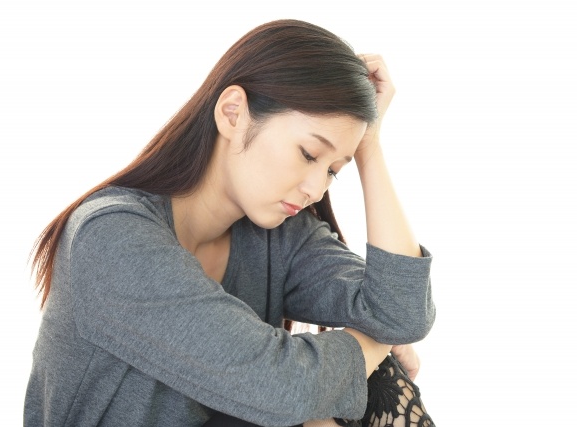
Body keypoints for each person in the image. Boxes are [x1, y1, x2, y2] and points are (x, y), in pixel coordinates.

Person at [24, 19, 436, 427]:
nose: (315, 189)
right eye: (309, 154)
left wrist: (369, 146)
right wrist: (376, 343)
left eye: (333, 171)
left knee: (364, 382)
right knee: (330, 388)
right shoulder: (111, 237)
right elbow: (281, 387)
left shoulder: (279, 236)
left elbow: (402, 311)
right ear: (233, 113)